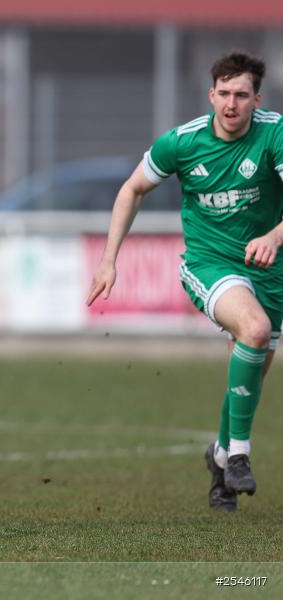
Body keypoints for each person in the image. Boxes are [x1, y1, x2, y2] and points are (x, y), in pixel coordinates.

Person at [88, 51, 283, 513]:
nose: (232, 104)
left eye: (242, 95)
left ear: (257, 98)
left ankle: (219, 458)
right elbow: (132, 189)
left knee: (253, 367)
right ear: (211, 94)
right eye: (224, 94)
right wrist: (108, 260)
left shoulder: (274, 132)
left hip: (270, 266)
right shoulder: (181, 142)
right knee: (253, 331)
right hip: (208, 262)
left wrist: (274, 236)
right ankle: (238, 454)